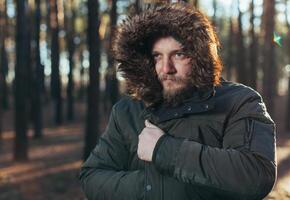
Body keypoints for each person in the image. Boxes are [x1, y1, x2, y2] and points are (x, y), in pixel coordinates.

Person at [79, 3, 276, 200]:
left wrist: (163, 149)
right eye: (157, 56)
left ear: (200, 56)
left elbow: (256, 175)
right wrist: (152, 187)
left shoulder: (239, 101)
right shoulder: (127, 110)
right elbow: (92, 177)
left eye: (178, 55)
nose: (166, 68)